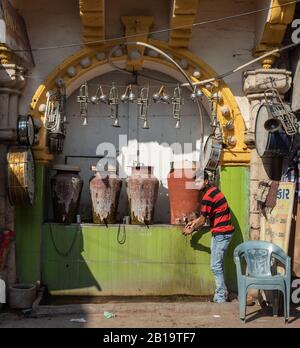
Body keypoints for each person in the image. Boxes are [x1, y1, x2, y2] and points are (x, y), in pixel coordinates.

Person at [183, 171, 234, 303]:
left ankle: (221, 296)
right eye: (195, 181)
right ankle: (221, 294)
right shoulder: (213, 191)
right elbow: (202, 218)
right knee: (218, 265)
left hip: (221, 233)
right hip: (223, 232)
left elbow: (203, 220)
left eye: (199, 181)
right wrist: (192, 223)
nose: (196, 184)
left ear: (206, 181)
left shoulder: (208, 196)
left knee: (215, 266)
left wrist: (192, 229)